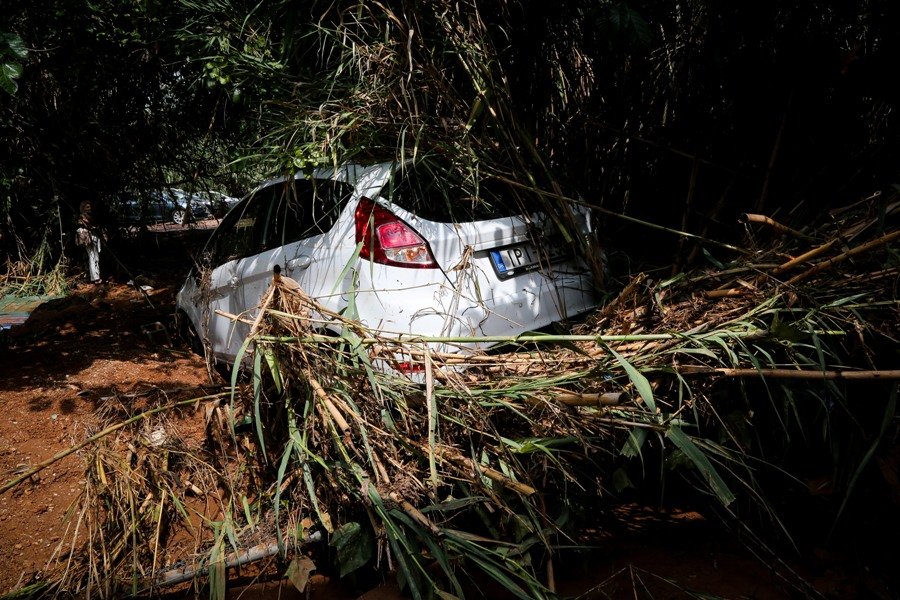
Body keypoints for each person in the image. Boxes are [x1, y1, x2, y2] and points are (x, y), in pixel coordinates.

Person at [75, 200, 102, 283]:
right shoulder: (81, 217)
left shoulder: (91, 216)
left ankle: (96, 276)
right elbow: (83, 225)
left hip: (94, 237)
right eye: (87, 207)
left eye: (90, 207)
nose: (89, 208)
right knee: (92, 256)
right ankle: (95, 277)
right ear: (83, 208)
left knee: (95, 257)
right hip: (88, 239)